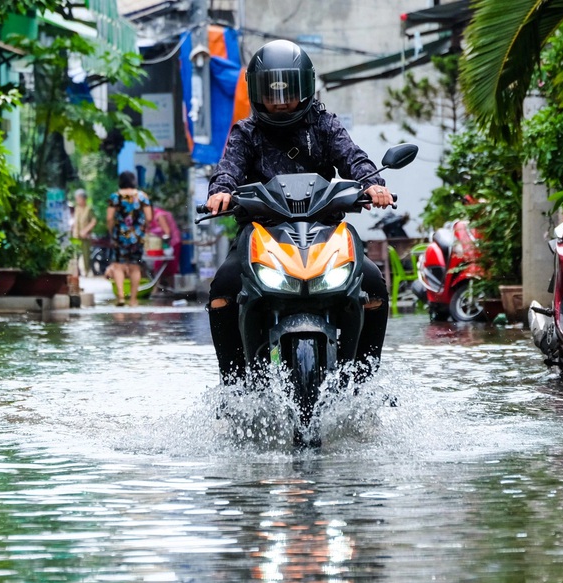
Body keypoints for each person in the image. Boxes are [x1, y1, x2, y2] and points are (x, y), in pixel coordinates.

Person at [205, 39, 395, 385]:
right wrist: (220, 192)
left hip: (326, 234)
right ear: (256, 93)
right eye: (271, 92)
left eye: (288, 91)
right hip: (262, 235)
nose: (280, 101)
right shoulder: (246, 133)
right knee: (222, 290)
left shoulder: (324, 123)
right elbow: (227, 170)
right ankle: (234, 389)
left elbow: (353, 157)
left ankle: (365, 385)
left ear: (305, 87)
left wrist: (373, 184)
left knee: (374, 286)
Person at [106, 171, 153, 307]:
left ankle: (121, 297)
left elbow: (109, 218)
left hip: (120, 235)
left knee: (119, 266)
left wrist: (111, 231)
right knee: (135, 267)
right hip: (137, 237)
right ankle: (133, 299)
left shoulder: (115, 197)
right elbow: (149, 218)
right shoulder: (142, 197)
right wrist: (143, 229)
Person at [146, 205, 182, 286]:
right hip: (163, 244)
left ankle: (167, 288)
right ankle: (161, 287)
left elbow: (167, 233)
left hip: (172, 243)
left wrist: (164, 245)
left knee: (168, 266)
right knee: (160, 265)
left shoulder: (159, 215)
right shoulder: (150, 217)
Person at [69, 188, 97, 276]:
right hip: (76, 235)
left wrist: (86, 230)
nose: (77, 200)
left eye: (78, 198)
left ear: (83, 198)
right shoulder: (77, 208)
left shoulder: (89, 209)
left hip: (85, 236)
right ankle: (77, 273)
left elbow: (94, 221)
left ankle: (87, 271)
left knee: (86, 255)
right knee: (75, 255)